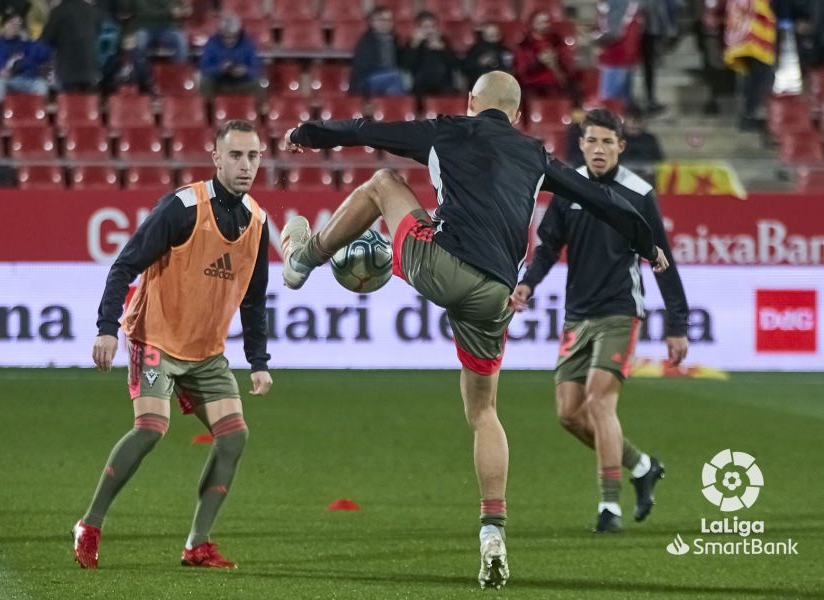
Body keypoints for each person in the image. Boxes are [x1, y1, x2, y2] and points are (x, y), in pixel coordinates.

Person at [279, 71, 667, 589]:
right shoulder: (536, 157)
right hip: (495, 294)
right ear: (517, 114)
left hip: (442, 262)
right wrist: (645, 240)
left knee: (382, 185)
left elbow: (368, 130)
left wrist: (312, 134)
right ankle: (492, 533)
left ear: (470, 103)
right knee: (484, 411)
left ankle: (303, 260)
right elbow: (601, 199)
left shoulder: (447, 130)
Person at [73, 120, 273, 570]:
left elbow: (255, 300)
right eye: (236, 155)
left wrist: (258, 361)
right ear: (216, 158)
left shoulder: (257, 222)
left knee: (234, 436)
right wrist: (107, 327)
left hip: (205, 353)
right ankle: (90, 524)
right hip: (156, 339)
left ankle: (197, 544)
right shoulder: (182, 207)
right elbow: (124, 265)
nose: (245, 165)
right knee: (151, 427)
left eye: (254, 156)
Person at [513, 108, 688, 533]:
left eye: (607, 142)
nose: (598, 149)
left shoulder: (638, 193)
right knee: (569, 414)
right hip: (578, 315)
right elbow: (549, 246)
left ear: (621, 148)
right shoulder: (568, 186)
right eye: (591, 141)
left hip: (620, 311)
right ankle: (642, 465)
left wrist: (677, 323)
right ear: (582, 145)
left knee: (598, 401)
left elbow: (661, 259)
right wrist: (527, 284)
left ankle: (609, 508)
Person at [723, 0, 776, 130]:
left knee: (756, 77)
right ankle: (749, 115)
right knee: (759, 78)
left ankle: (749, 115)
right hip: (751, 37)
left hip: (752, 36)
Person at [0, 14, 51, 103]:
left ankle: (39, 113)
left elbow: (44, 55)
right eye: (11, 23)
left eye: (18, 24)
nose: (15, 27)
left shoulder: (28, 45)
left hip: (26, 79)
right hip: (6, 80)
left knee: (41, 85)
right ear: (3, 26)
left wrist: (21, 65)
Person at [513, 10, 578, 101]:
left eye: (547, 22)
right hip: (534, 85)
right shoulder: (525, 45)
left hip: (558, 84)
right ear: (532, 24)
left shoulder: (556, 40)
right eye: (541, 22)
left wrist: (556, 60)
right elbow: (521, 71)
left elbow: (568, 63)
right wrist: (538, 61)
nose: (545, 25)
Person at [40, 0, 101, 92]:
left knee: (69, 102)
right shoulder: (92, 10)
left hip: (67, 69)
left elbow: (47, 38)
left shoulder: (59, 11)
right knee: (87, 102)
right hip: (90, 69)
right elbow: (98, 33)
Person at [198, 13, 261, 98]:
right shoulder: (212, 43)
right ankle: (209, 109)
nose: (229, 40)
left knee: (259, 82)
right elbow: (204, 67)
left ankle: (259, 110)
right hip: (219, 81)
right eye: (226, 37)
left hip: (241, 81)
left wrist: (245, 70)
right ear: (220, 34)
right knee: (205, 81)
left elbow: (256, 68)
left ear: (238, 34)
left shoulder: (247, 43)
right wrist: (220, 68)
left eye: (233, 37)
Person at [594, 0, 643, 107]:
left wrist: (593, 38)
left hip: (615, 59)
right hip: (624, 58)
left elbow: (613, 33)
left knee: (610, 103)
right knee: (622, 104)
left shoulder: (617, 3)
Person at [349, 5, 405, 95]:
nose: (386, 23)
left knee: (401, 80)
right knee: (396, 77)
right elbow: (364, 68)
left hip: (390, 76)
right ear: (372, 22)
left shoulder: (395, 39)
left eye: (389, 20)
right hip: (366, 79)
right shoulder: (366, 41)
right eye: (382, 20)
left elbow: (402, 61)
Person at [402, 10, 458, 95]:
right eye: (426, 27)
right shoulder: (412, 43)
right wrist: (414, 45)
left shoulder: (443, 41)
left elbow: (454, 65)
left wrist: (442, 49)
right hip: (421, 84)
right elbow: (407, 66)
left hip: (443, 84)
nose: (430, 30)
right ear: (418, 28)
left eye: (433, 26)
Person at [462, 22, 512, 88]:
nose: (492, 35)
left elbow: (509, 68)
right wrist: (479, 62)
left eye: (495, 33)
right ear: (484, 34)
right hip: (480, 86)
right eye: (490, 33)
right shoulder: (476, 49)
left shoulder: (504, 50)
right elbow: (466, 67)